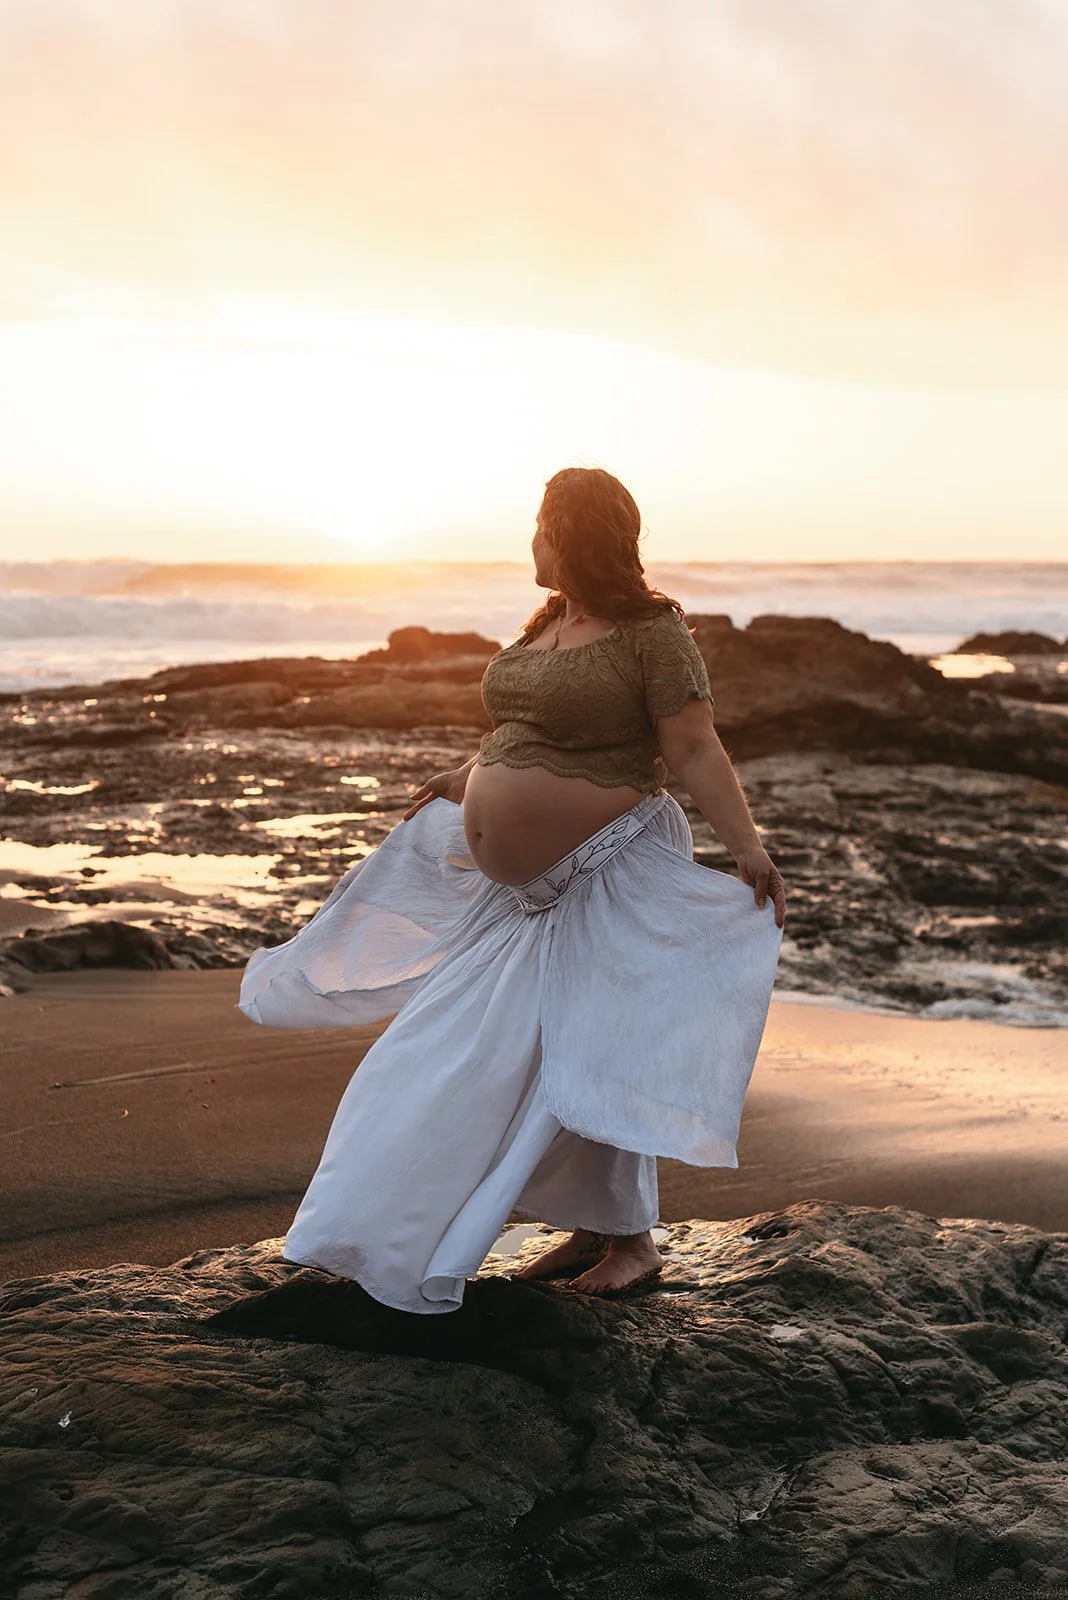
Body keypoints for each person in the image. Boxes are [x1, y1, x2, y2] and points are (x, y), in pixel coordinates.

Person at [238, 467, 785, 1311]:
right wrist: (470, 776)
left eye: (540, 526)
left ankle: (633, 1243)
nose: (530, 542)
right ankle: (590, 1228)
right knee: (468, 1056)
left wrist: (745, 846)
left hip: (605, 872)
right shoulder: (547, 623)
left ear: (573, 534)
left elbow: (694, 745)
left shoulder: (652, 632)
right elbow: (531, 733)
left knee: (588, 1052)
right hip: (523, 897)